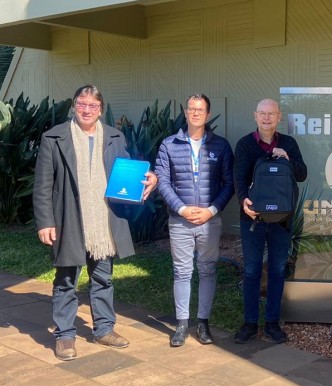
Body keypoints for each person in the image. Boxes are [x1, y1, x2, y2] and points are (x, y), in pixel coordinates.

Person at [33, 84, 158, 361]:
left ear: (100, 109)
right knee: (66, 280)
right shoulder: (54, 137)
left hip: (104, 221)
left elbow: (127, 173)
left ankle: (104, 329)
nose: (86, 110)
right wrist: (45, 222)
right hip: (68, 219)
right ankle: (65, 335)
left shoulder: (114, 137)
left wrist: (149, 179)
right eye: (81, 104)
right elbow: (42, 185)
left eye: (92, 105)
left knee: (103, 278)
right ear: (74, 106)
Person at [155, 94, 234, 347]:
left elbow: (229, 183)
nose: (196, 113)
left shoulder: (221, 146)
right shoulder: (169, 144)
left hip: (210, 220)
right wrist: (181, 208)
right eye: (191, 109)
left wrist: (211, 210)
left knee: (208, 270)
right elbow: (162, 181)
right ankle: (181, 324)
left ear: (208, 114)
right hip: (180, 220)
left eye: (201, 110)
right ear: (186, 112)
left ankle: (203, 322)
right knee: (182, 272)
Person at [233, 98, 307, 344]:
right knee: (252, 270)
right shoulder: (245, 145)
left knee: (277, 270)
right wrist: (243, 201)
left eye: (271, 114)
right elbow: (239, 179)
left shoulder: (289, 143)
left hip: (282, 219)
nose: (266, 118)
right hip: (252, 218)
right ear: (255, 116)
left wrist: (287, 158)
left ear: (279, 117)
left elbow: (302, 174)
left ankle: (272, 323)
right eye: (262, 113)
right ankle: (250, 323)